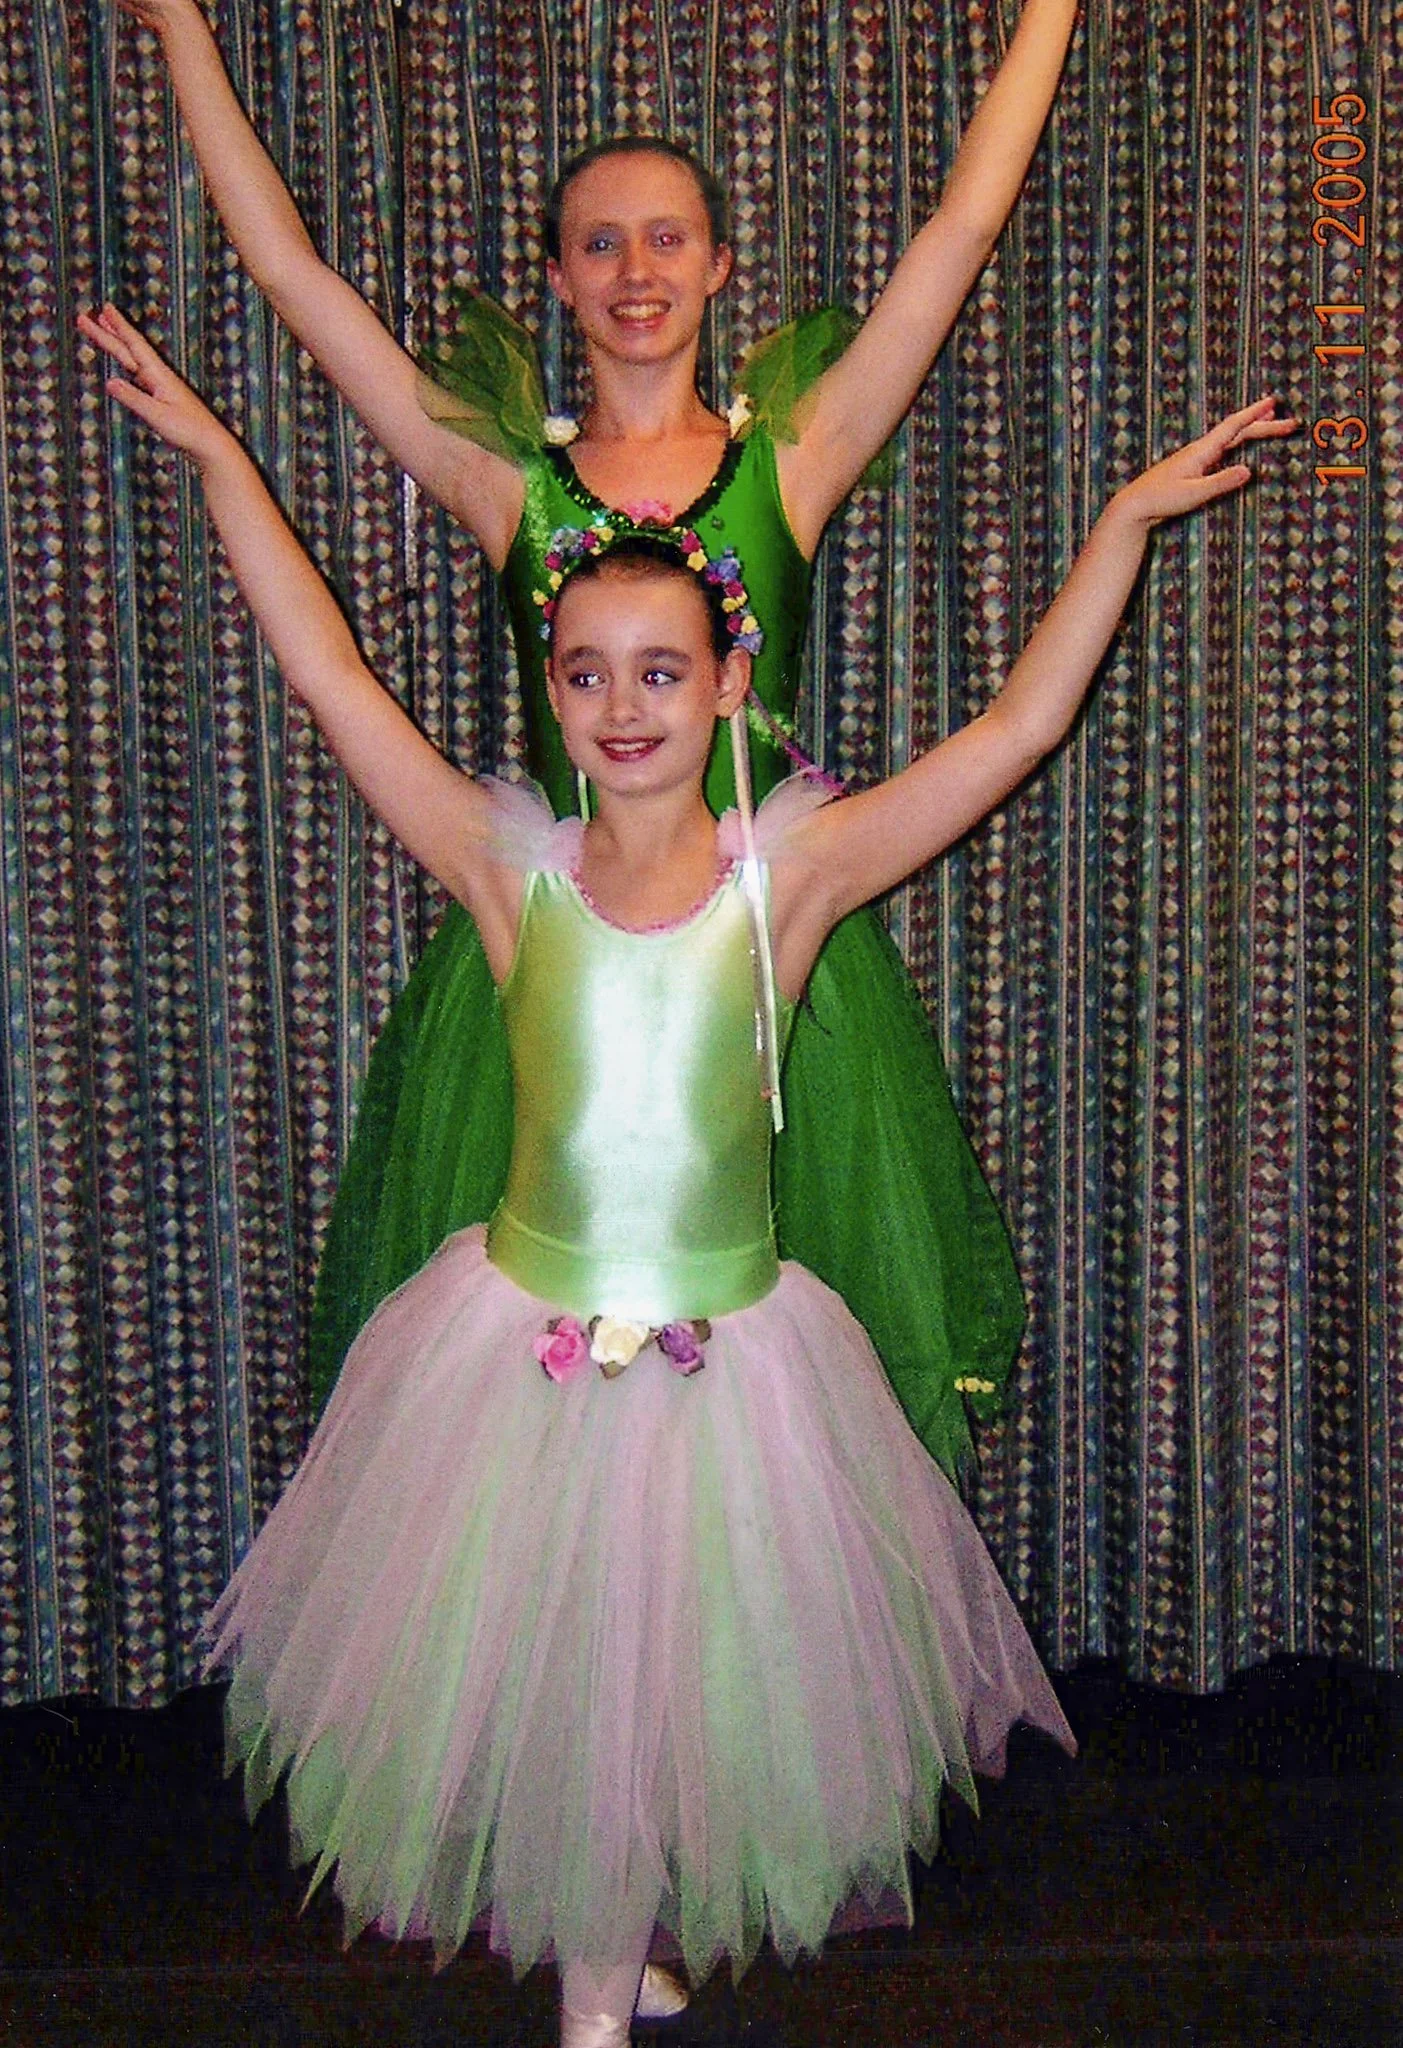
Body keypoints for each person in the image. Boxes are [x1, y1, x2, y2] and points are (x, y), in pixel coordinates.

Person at [84, 298, 1292, 2048]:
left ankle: (620, 1930)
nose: (621, 706)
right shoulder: (514, 880)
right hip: (523, 1348)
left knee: (684, 1679)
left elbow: (1018, 732)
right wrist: (219, 467)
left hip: (735, 1356)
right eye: (584, 673)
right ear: (552, 688)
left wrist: (1115, 524)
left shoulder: (780, 888)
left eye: (660, 672)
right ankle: (594, 1984)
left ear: (728, 682)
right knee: (573, 1668)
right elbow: (331, 678)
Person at [116, 0, 1084, 1475]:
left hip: (763, 955)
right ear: (558, 277)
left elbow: (960, 225)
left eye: (668, 239)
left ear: (718, 265)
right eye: (601, 243)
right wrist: (180, 21)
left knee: (767, 1396)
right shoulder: (505, 483)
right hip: (558, 951)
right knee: (531, 1392)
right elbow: (291, 273)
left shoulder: (794, 459)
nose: (638, 272)